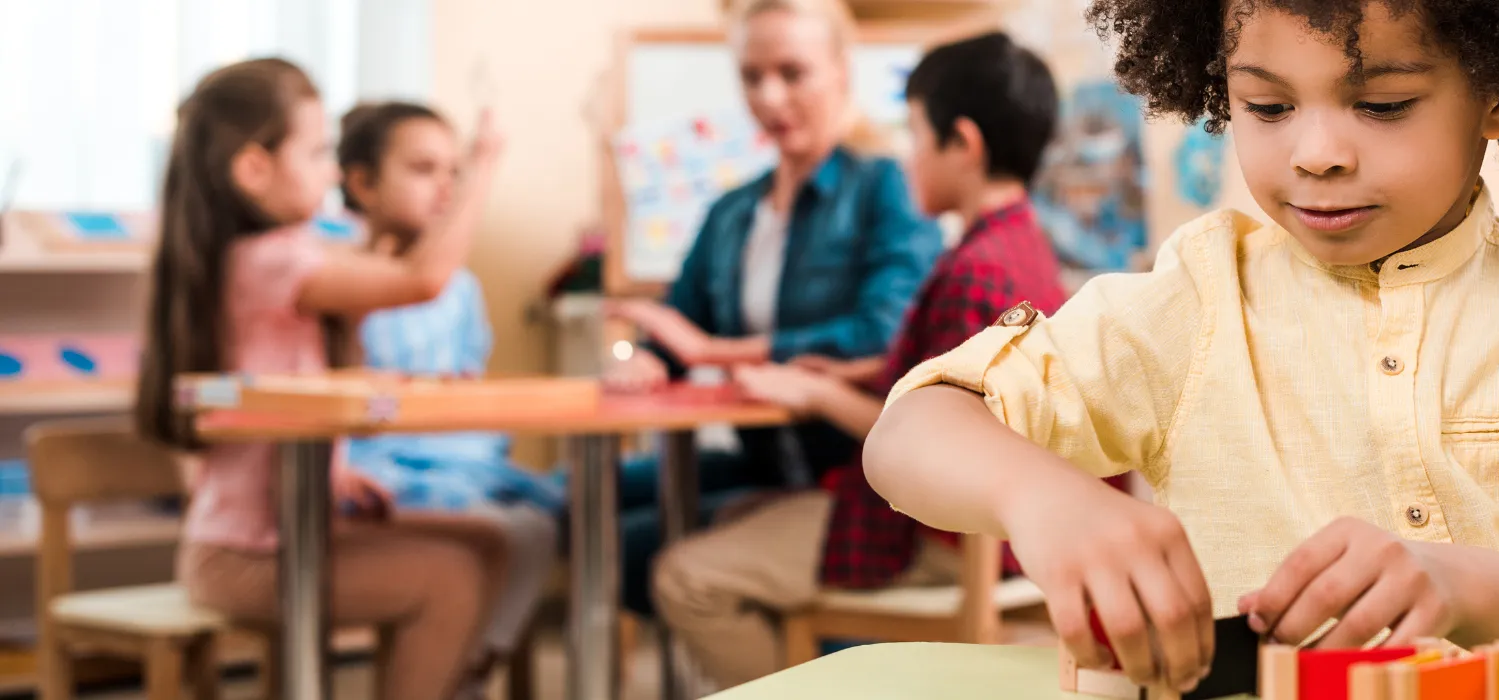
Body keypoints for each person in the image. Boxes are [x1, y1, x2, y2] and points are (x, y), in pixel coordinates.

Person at [865, 0, 1499, 695]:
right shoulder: (1197, 298)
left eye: (1382, 105)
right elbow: (909, 433)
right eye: (1267, 107)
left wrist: (1461, 585)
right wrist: (1042, 497)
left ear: (1498, 92)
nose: (1316, 155)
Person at [644, 31, 1069, 688]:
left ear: (964, 145)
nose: (906, 157)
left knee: (685, 575)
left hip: (942, 537)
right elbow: (944, 381)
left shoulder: (973, 272)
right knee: (734, 517)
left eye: (917, 137)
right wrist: (841, 374)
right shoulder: (1018, 247)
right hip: (979, 528)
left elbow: (943, 440)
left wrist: (816, 396)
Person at [134, 58, 510, 700]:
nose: (331, 171)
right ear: (254, 168)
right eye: (316, 153)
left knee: (489, 542)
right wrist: (482, 171)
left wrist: (336, 474)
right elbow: (422, 281)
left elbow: (279, 394)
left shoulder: (253, 259)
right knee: (452, 577)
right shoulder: (273, 258)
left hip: (268, 535)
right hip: (249, 556)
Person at [597, 0, 944, 618]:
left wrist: (712, 353)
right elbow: (681, 322)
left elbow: (878, 335)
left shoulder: (886, 187)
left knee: (629, 548)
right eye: (752, 77)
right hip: (764, 459)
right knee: (581, 498)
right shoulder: (733, 212)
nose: (769, 97)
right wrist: (652, 360)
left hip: (849, 473)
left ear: (841, 70)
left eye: (792, 72)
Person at [336, 101, 562, 696]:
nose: (445, 187)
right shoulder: (340, 277)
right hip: (380, 473)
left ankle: (471, 668)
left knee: (535, 526)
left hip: (459, 462)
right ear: (361, 183)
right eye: (423, 169)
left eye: (453, 172)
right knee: (502, 534)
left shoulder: (461, 289)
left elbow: (471, 382)